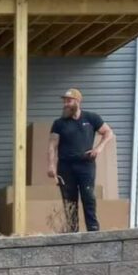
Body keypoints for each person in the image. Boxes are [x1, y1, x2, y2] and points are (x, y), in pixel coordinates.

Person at [46, 88, 115, 232]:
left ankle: (93, 229)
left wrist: (98, 148)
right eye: (64, 101)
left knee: (88, 196)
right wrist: (51, 165)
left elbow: (108, 133)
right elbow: (52, 146)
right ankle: (72, 231)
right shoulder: (59, 123)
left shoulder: (91, 118)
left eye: (69, 101)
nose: (65, 104)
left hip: (86, 165)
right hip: (65, 166)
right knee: (69, 199)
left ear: (77, 102)